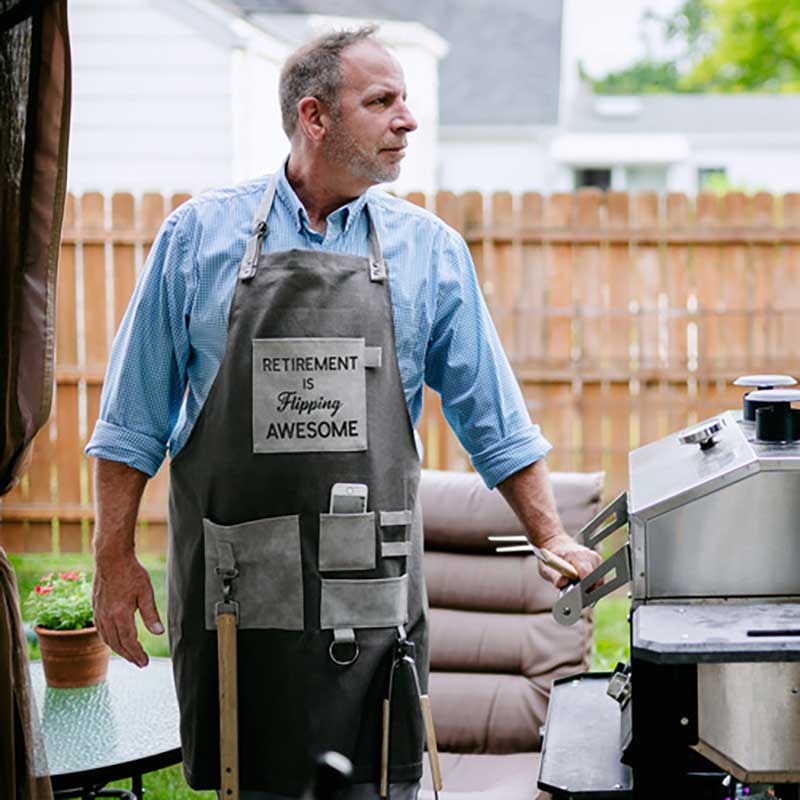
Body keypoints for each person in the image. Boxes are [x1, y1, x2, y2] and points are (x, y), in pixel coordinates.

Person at [87, 25, 601, 800]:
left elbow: (493, 417)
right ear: (315, 116)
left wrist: (548, 532)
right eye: (382, 100)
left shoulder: (429, 250)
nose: (407, 120)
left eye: (405, 100)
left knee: (377, 778)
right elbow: (132, 418)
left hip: (371, 593)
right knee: (244, 774)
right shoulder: (199, 238)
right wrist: (112, 557)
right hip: (237, 594)